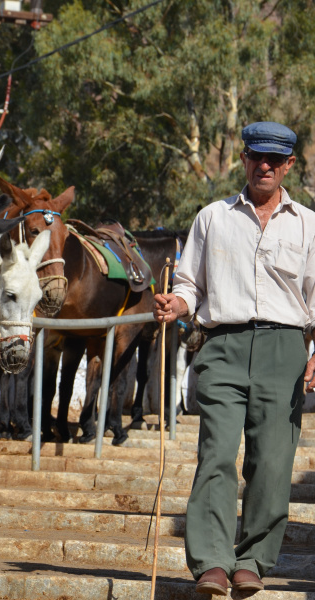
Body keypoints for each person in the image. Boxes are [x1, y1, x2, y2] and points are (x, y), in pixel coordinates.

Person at [153, 121, 315, 595]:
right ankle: (212, 563)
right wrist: (176, 304)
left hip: (285, 349)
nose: (264, 166)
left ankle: (254, 561)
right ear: (243, 159)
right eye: (255, 157)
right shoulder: (212, 217)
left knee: (272, 462)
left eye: (274, 160)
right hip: (222, 346)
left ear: (288, 166)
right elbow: (188, 284)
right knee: (217, 455)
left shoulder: (309, 224)